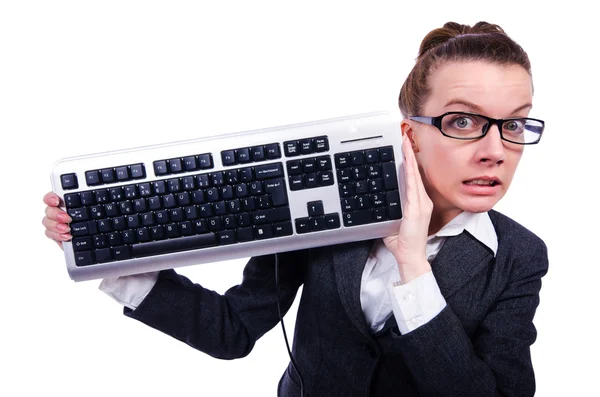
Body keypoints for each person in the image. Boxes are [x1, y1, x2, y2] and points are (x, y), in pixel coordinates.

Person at [42, 21, 548, 397]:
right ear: (407, 133)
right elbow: (231, 331)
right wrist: (109, 244)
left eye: (515, 124)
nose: (496, 150)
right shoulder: (328, 211)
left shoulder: (519, 256)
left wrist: (414, 266)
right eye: (463, 121)